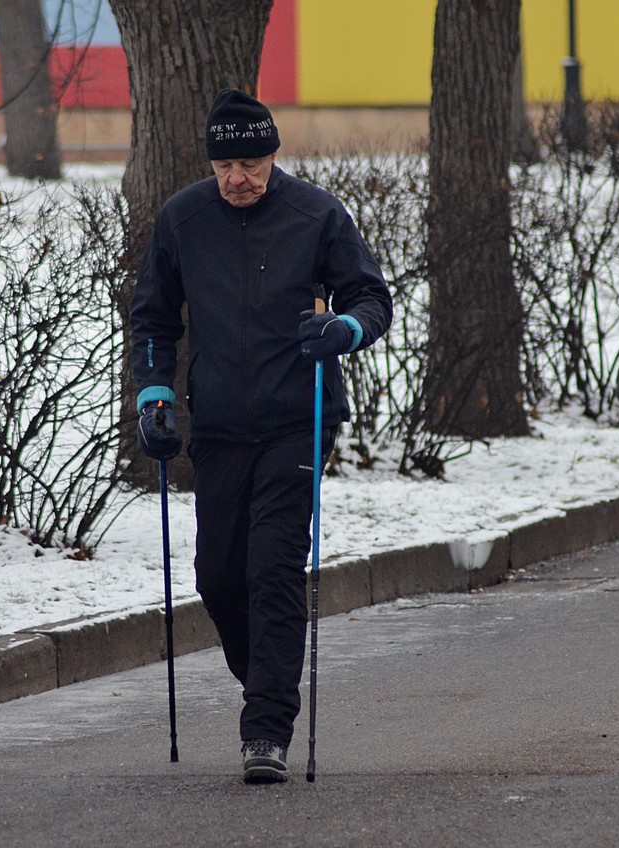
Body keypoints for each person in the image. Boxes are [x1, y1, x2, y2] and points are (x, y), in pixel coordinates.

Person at [129, 88, 393, 784]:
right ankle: (264, 679)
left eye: (250, 163)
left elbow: (372, 298)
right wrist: (154, 393)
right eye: (225, 166)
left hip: (297, 420)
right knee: (218, 576)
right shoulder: (183, 219)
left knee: (272, 568)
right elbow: (153, 317)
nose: (237, 178)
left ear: (274, 154)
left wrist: (345, 330)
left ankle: (266, 729)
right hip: (217, 424)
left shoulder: (317, 215)